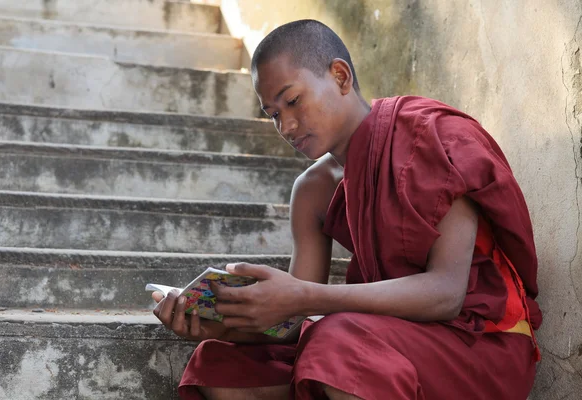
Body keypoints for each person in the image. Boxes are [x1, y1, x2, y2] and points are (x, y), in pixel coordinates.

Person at [152, 19, 542, 400]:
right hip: (386, 339)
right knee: (220, 364)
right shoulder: (311, 191)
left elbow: (446, 293)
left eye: (292, 100)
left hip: (479, 343)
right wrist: (220, 326)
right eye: (272, 114)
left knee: (337, 343)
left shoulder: (428, 138)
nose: (286, 126)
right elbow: (292, 321)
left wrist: (307, 296)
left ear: (340, 76)